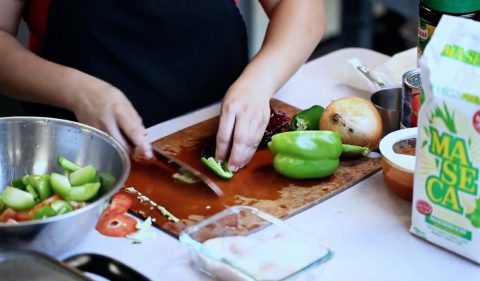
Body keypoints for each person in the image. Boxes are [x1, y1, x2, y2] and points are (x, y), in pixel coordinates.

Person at [0, 0, 325, 171]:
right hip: (81, 152)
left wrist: (258, 83)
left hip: (220, 139)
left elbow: (299, 6)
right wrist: (78, 91)